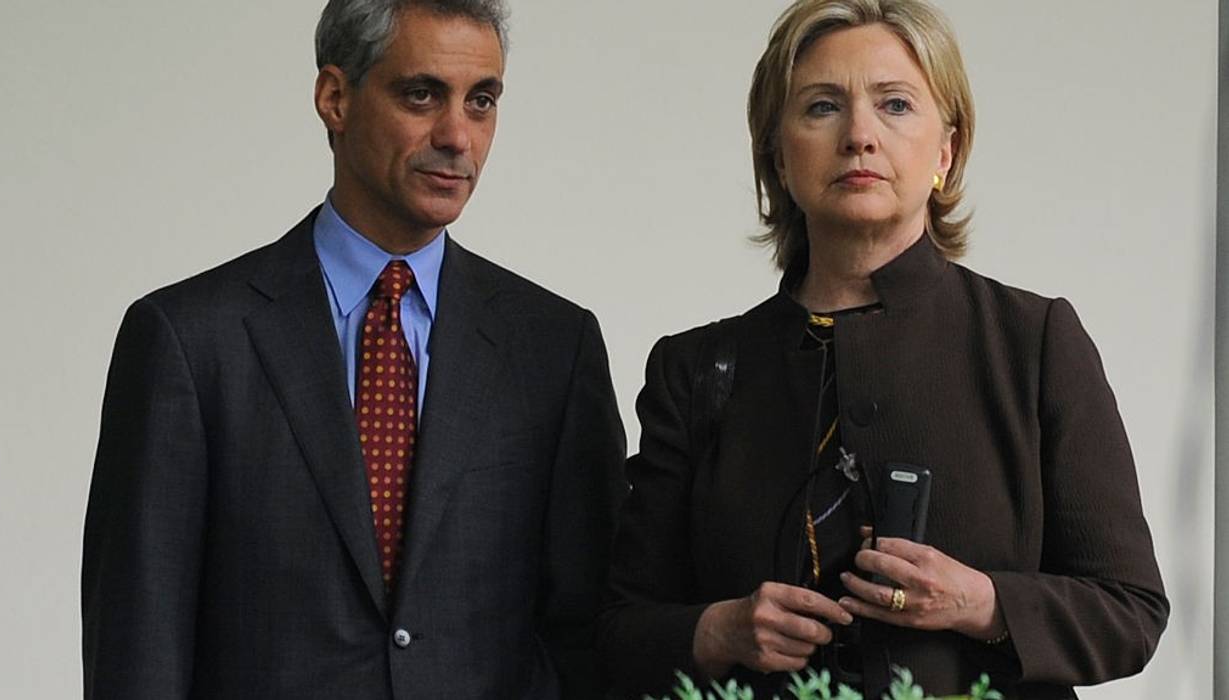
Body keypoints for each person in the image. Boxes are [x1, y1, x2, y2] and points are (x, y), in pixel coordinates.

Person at [598, 1, 1167, 698]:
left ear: (946, 151)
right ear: (777, 152)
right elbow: (613, 634)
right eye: (820, 108)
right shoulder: (693, 369)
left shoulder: (1033, 341)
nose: (859, 135)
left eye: (894, 104)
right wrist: (718, 630)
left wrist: (980, 603)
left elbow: (1129, 613)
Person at [81, 1, 626, 697]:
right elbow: (137, 648)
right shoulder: (189, 340)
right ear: (335, 98)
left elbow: (590, 633)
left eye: (481, 100)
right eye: (422, 94)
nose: (458, 135)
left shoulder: (553, 346)